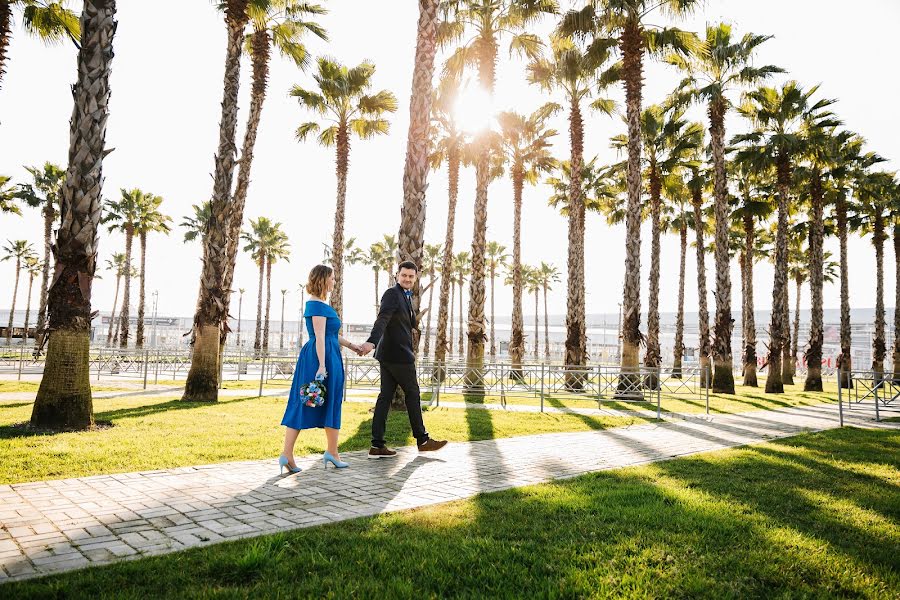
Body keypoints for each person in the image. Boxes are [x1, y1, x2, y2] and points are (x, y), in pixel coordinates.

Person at [359, 260, 447, 457]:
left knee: (385, 398)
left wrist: (415, 327)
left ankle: (377, 445)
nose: (407, 279)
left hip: (389, 355)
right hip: (398, 356)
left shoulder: (405, 296)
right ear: (397, 276)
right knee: (413, 393)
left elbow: (400, 323)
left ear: (415, 278)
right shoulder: (392, 294)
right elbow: (382, 319)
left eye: (411, 276)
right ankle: (423, 440)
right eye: (404, 275)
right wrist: (372, 342)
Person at [280, 265, 363, 473]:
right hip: (319, 358)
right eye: (332, 278)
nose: (335, 282)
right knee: (305, 401)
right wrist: (322, 365)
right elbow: (318, 337)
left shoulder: (322, 305)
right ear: (323, 280)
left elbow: (331, 335)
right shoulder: (316, 305)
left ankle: (331, 452)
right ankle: (288, 453)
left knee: (330, 400)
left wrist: (353, 347)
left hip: (329, 354)